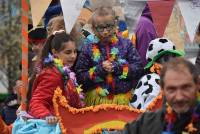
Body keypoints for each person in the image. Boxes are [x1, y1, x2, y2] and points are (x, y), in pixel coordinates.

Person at [75, 6, 143, 106]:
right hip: (97, 102)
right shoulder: (88, 48)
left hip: (123, 101)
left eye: (109, 26)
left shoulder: (126, 44)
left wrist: (118, 67)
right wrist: (100, 69)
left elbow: (138, 68)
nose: (105, 32)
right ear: (93, 28)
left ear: (115, 24)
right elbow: (80, 76)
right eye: (100, 28)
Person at [111, 58, 200, 134]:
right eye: (171, 89)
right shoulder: (148, 122)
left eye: (185, 87)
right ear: (162, 90)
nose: (179, 97)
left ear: (197, 85)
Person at [129, 38, 184, 110]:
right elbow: (151, 112)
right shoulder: (153, 81)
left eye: (173, 57)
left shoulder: (164, 79)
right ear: (156, 62)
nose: (172, 62)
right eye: (167, 58)